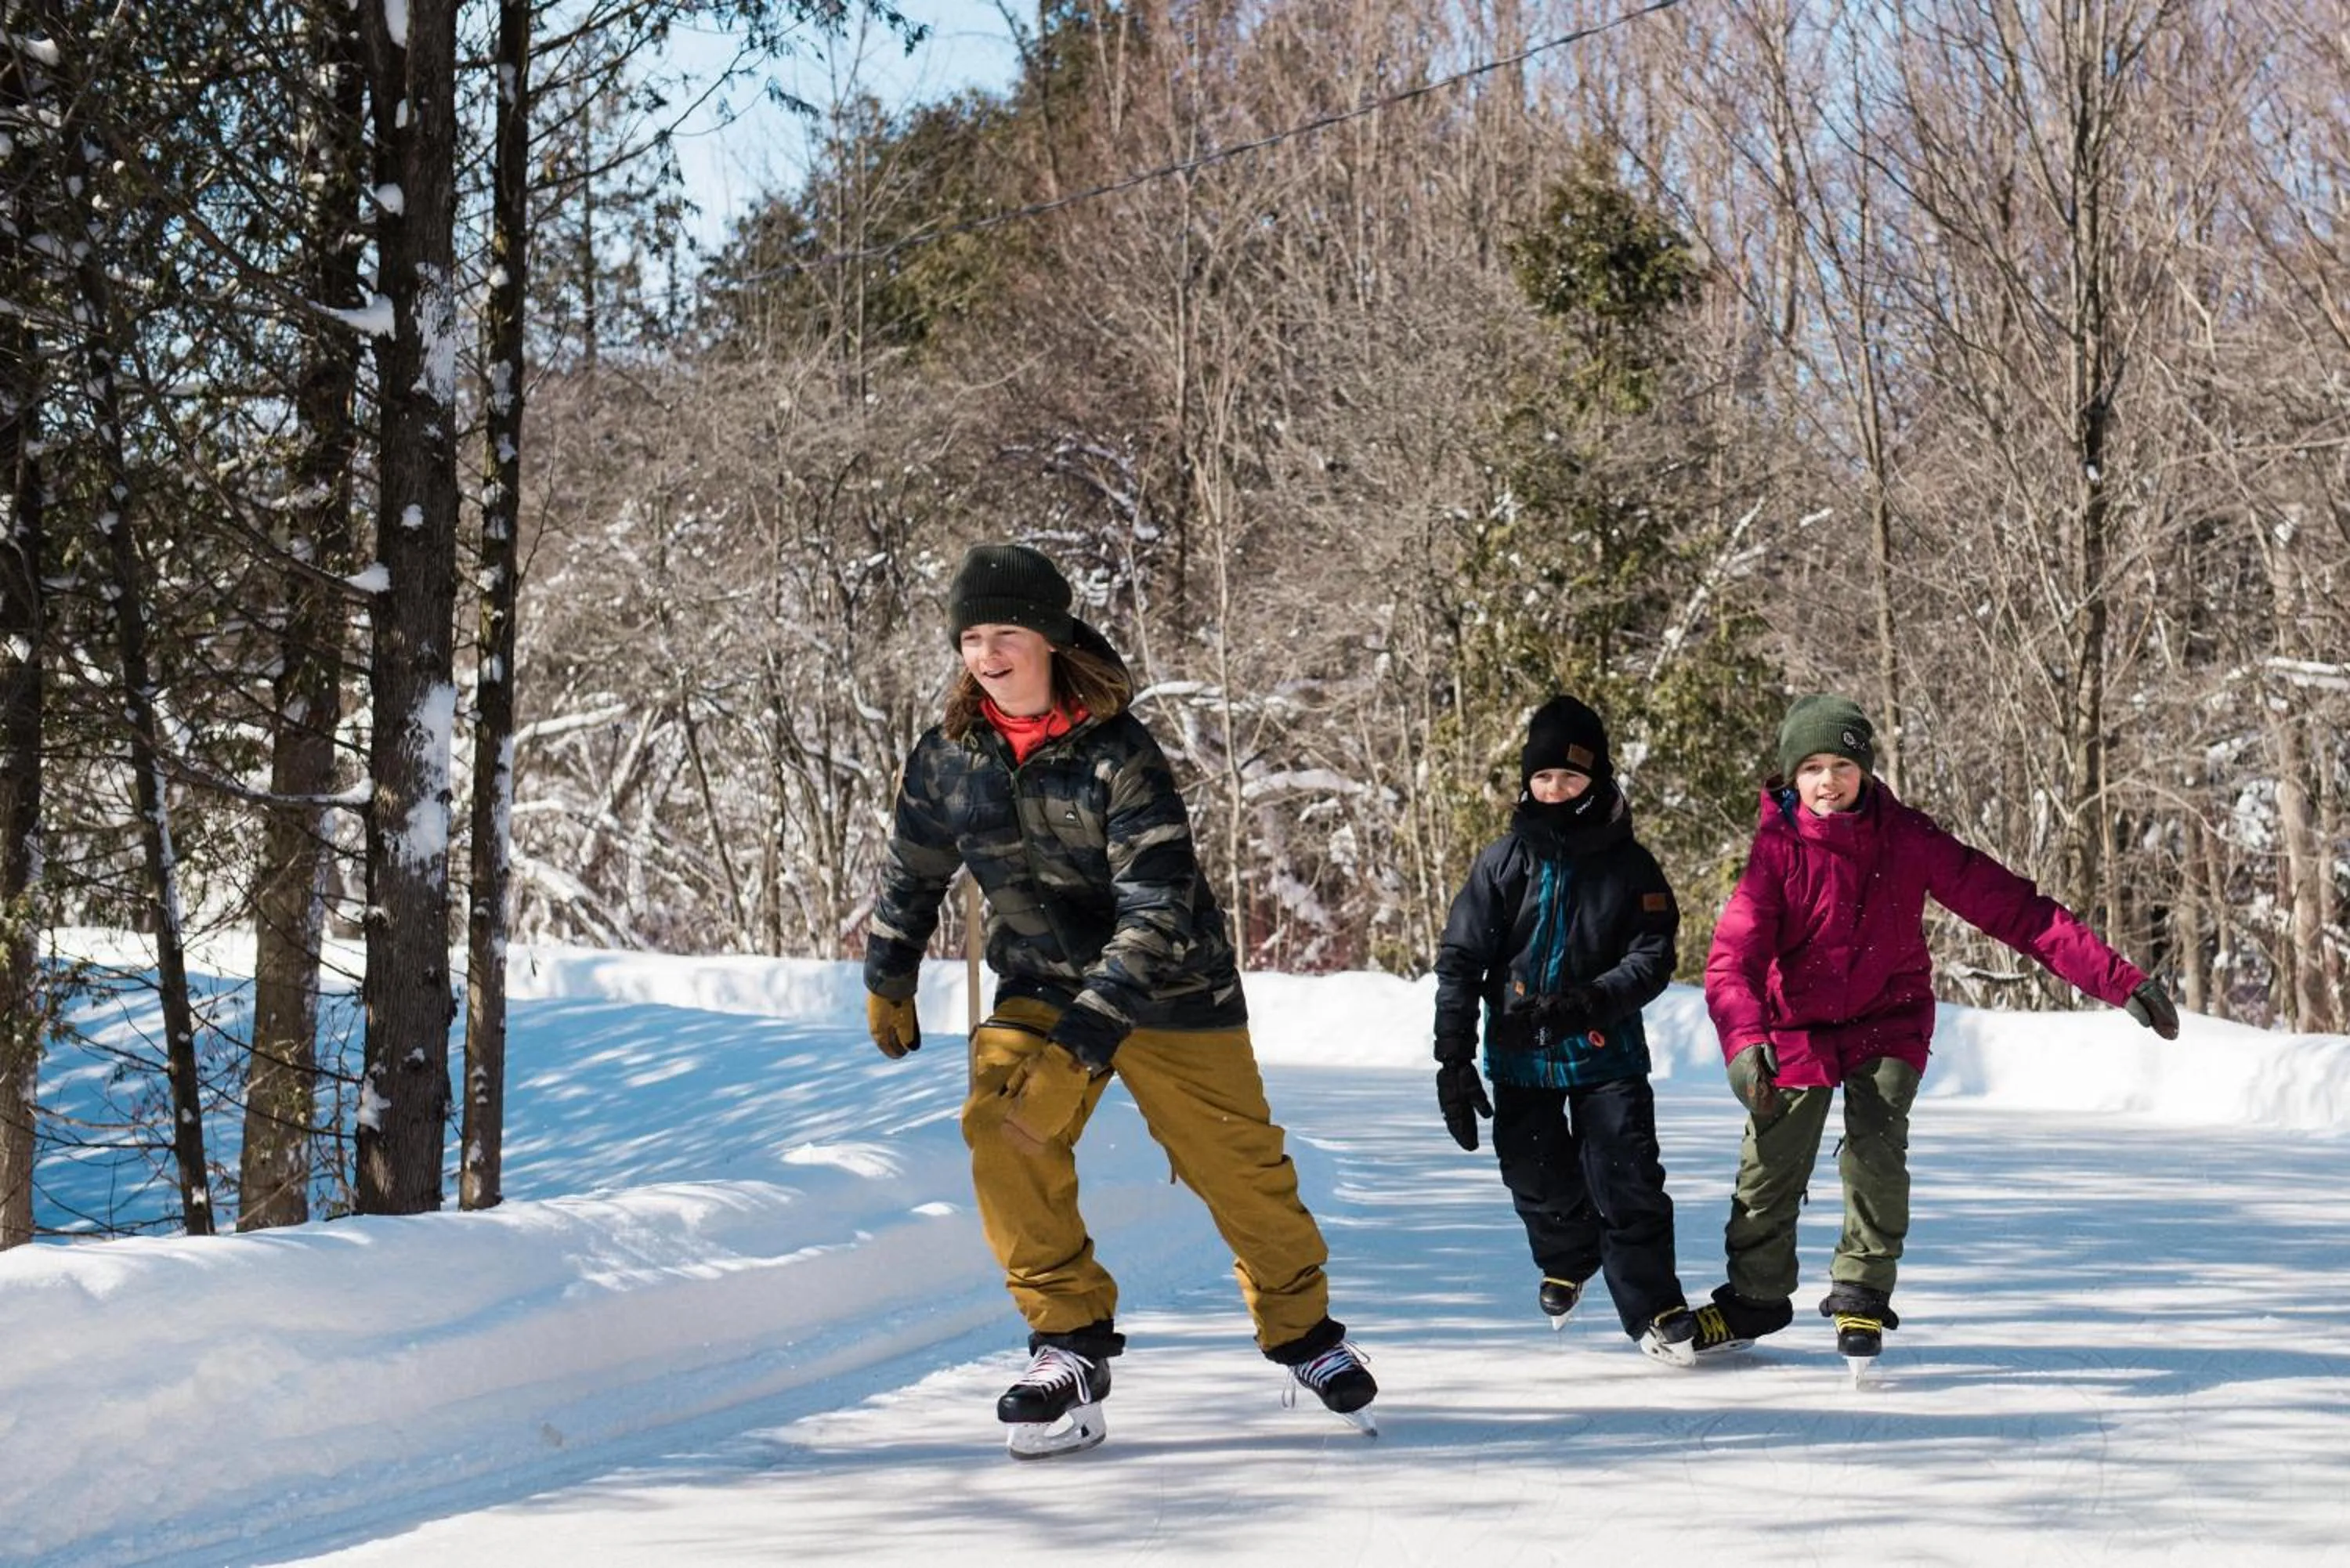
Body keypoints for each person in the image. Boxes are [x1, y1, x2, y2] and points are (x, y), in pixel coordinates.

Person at [862, 542, 1376, 1458]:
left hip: (1172, 986)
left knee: (1239, 1167)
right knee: (999, 1126)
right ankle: (1068, 1344)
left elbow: (1159, 906)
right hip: (1041, 984)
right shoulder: (949, 757)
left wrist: (1085, 1044)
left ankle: (1305, 1337)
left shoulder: (1118, 754)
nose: (987, 653)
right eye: (972, 635)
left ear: (1051, 639)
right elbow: (914, 865)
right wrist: (889, 969)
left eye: (1006, 633)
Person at [1697, 694, 2182, 1370]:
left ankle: (1862, 1287)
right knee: (1770, 1163)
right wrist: (1746, 1041)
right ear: (1790, 777)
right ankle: (1756, 1296)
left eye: (1841, 763)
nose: (1828, 781)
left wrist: (2119, 979)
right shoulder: (1777, 854)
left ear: (1865, 769)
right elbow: (1733, 959)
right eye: (1811, 767)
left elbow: (2020, 913)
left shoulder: (1907, 838)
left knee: (1875, 1150)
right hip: (1798, 1024)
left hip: (1887, 1020)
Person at [1431, 695, 1708, 1365]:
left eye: (1571, 778)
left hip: (1603, 1052)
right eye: (1543, 778)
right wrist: (1453, 1057)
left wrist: (1586, 1005)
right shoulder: (1503, 862)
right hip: (1519, 1055)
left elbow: (1652, 958)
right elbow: (1462, 959)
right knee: (1533, 1173)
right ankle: (1568, 1256)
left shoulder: (1630, 866)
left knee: (1626, 1176)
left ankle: (1654, 1306)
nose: (1555, 790)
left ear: (1598, 781)